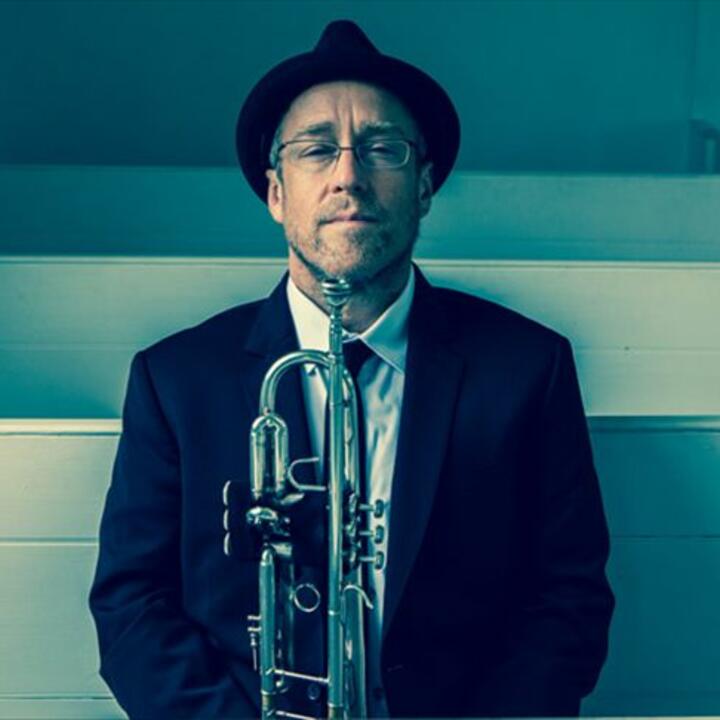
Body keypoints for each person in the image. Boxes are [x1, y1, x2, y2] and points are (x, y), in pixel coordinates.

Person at [89, 19, 614, 719]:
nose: (348, 176)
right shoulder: (175, 381)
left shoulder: (528, 369)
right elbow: (132, 608)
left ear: (423, 186)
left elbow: (568, 601)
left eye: (382, 149)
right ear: (276, 193)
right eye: (316, 150)